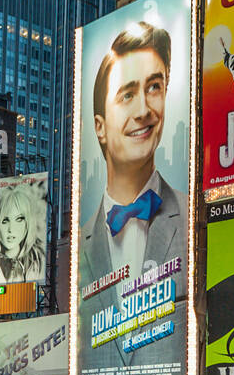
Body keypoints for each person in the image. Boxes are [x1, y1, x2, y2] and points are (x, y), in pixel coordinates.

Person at [80, 21, 188, 327]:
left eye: (154, 87)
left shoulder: (191, 219)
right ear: (99, 127)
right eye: (127, 95)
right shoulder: (81, 244)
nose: (143, 109)